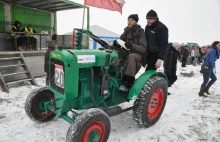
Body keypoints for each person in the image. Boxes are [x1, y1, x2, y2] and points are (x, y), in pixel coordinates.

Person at [117, 14, 147, 92]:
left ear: (136, 22)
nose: (129, 22)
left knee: (131, 56)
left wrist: (132, 46)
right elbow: (121, 40)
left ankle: (127, 83)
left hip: (138, 55)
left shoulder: (141, 32)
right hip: (127, 53)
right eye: (128, 20)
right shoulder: (126, 31)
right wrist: (116, 43)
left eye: (132, 20)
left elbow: (143, 49)